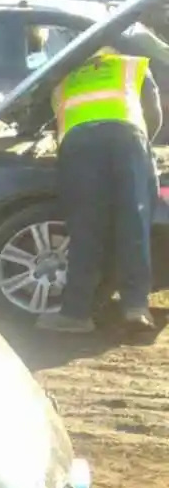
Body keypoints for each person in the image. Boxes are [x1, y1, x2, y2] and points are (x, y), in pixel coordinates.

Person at [38, 43, 161, 335]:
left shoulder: (62, 76)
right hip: (128, 139)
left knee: (86, 228)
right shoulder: (128, 65)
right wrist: (144, 145)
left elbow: (38, 121)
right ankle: (135, 307)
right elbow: (153, 113)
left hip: (79, 145)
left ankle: (76, 313)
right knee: (133, 223)